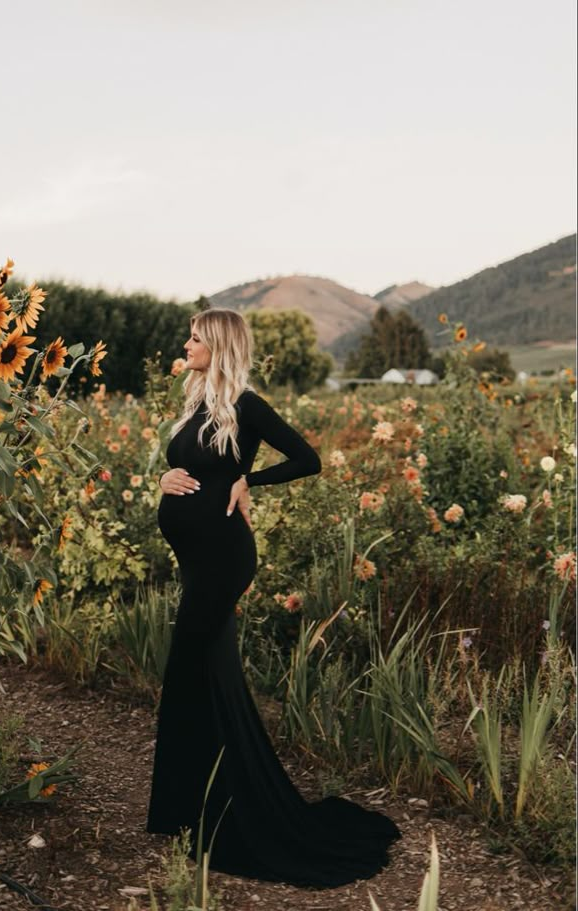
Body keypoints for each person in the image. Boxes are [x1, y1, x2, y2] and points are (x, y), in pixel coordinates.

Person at [145, 308, 401, 887]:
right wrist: (163, 480)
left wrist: (247, 481)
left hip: (223, 559)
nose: (185, 343)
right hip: (197, 560)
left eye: (194, 337)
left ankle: (231, 818)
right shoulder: (198, 402)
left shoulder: (246, 405)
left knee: (191, 669)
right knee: (206, 678)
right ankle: (196, 810)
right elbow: (183, 469)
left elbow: (307, 459)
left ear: (218, 344)